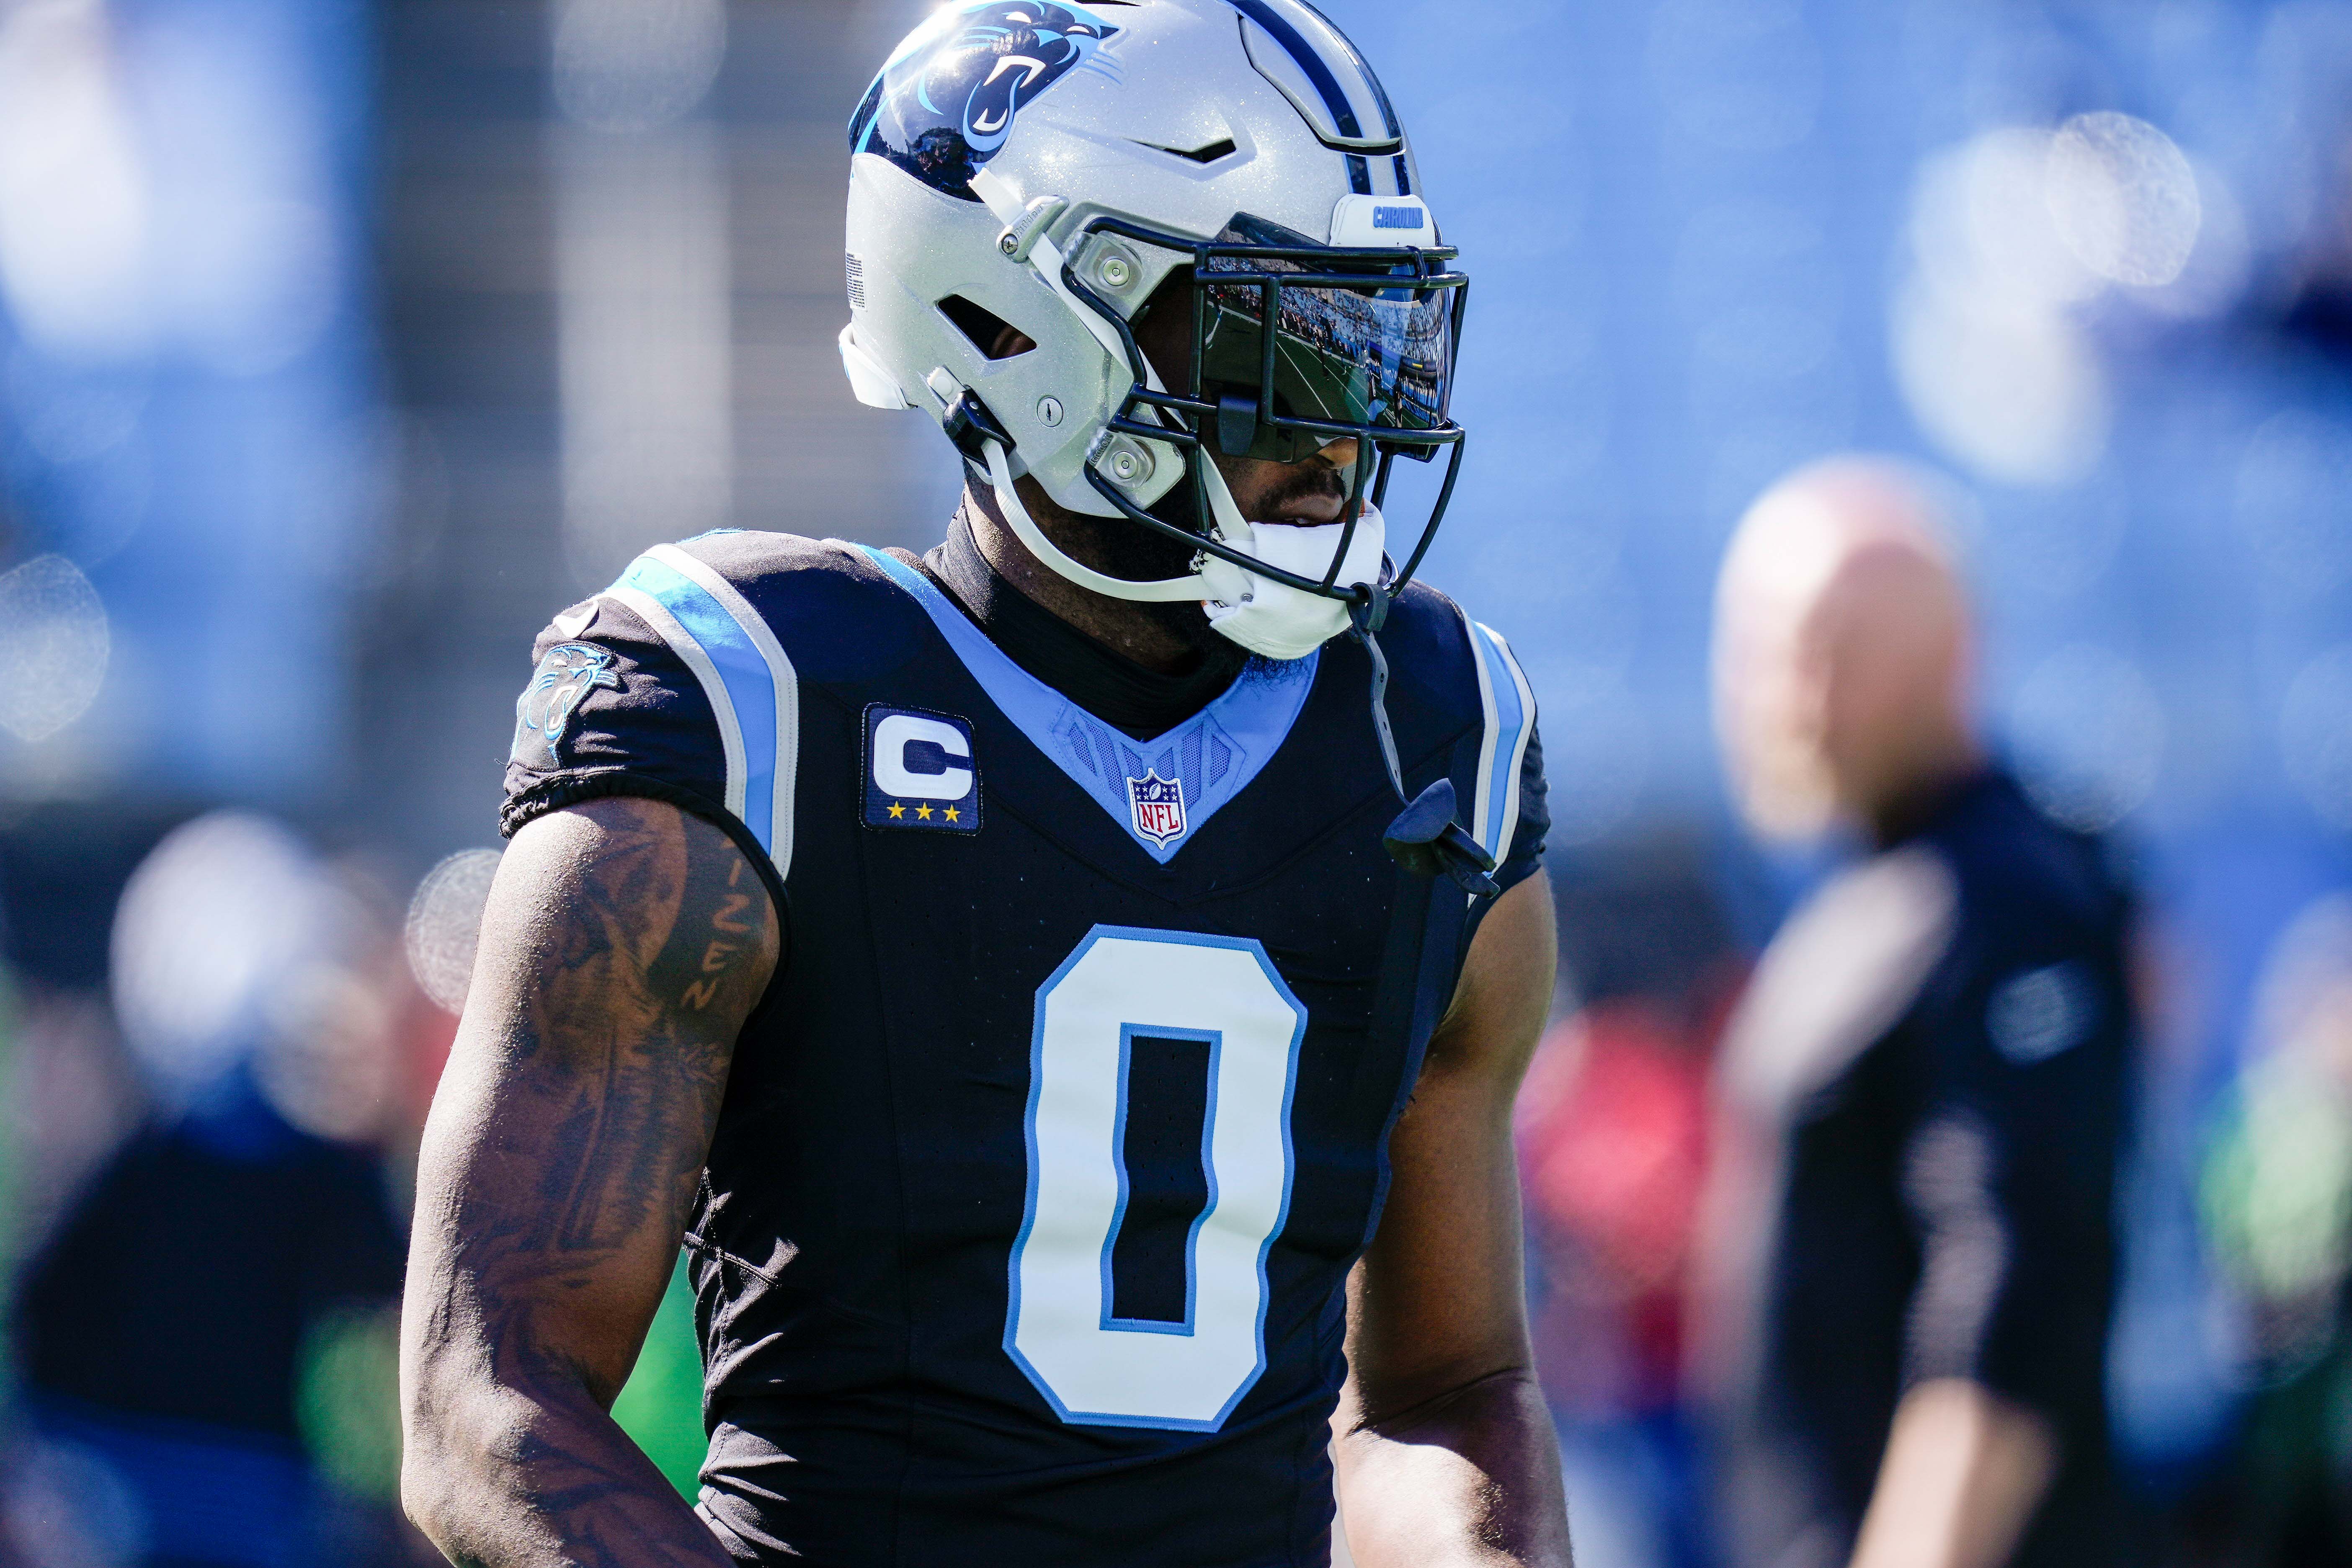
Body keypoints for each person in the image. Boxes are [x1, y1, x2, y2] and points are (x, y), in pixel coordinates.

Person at [397, 3, 1569, 1565]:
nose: (1344, 429)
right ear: (1015, 327)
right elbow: (490, 1400)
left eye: (1370, 337)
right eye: (1271, 336)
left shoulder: (1429, 738)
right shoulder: (759, 708)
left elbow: (1445, 1390)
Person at [1696, 457, 2135, 1568]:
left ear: (1952, 657)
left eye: (1829, 652)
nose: (1786, 698)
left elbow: (2014, 1287)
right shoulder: (1877, 896)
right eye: (1759, 653)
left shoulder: (2003, 904)